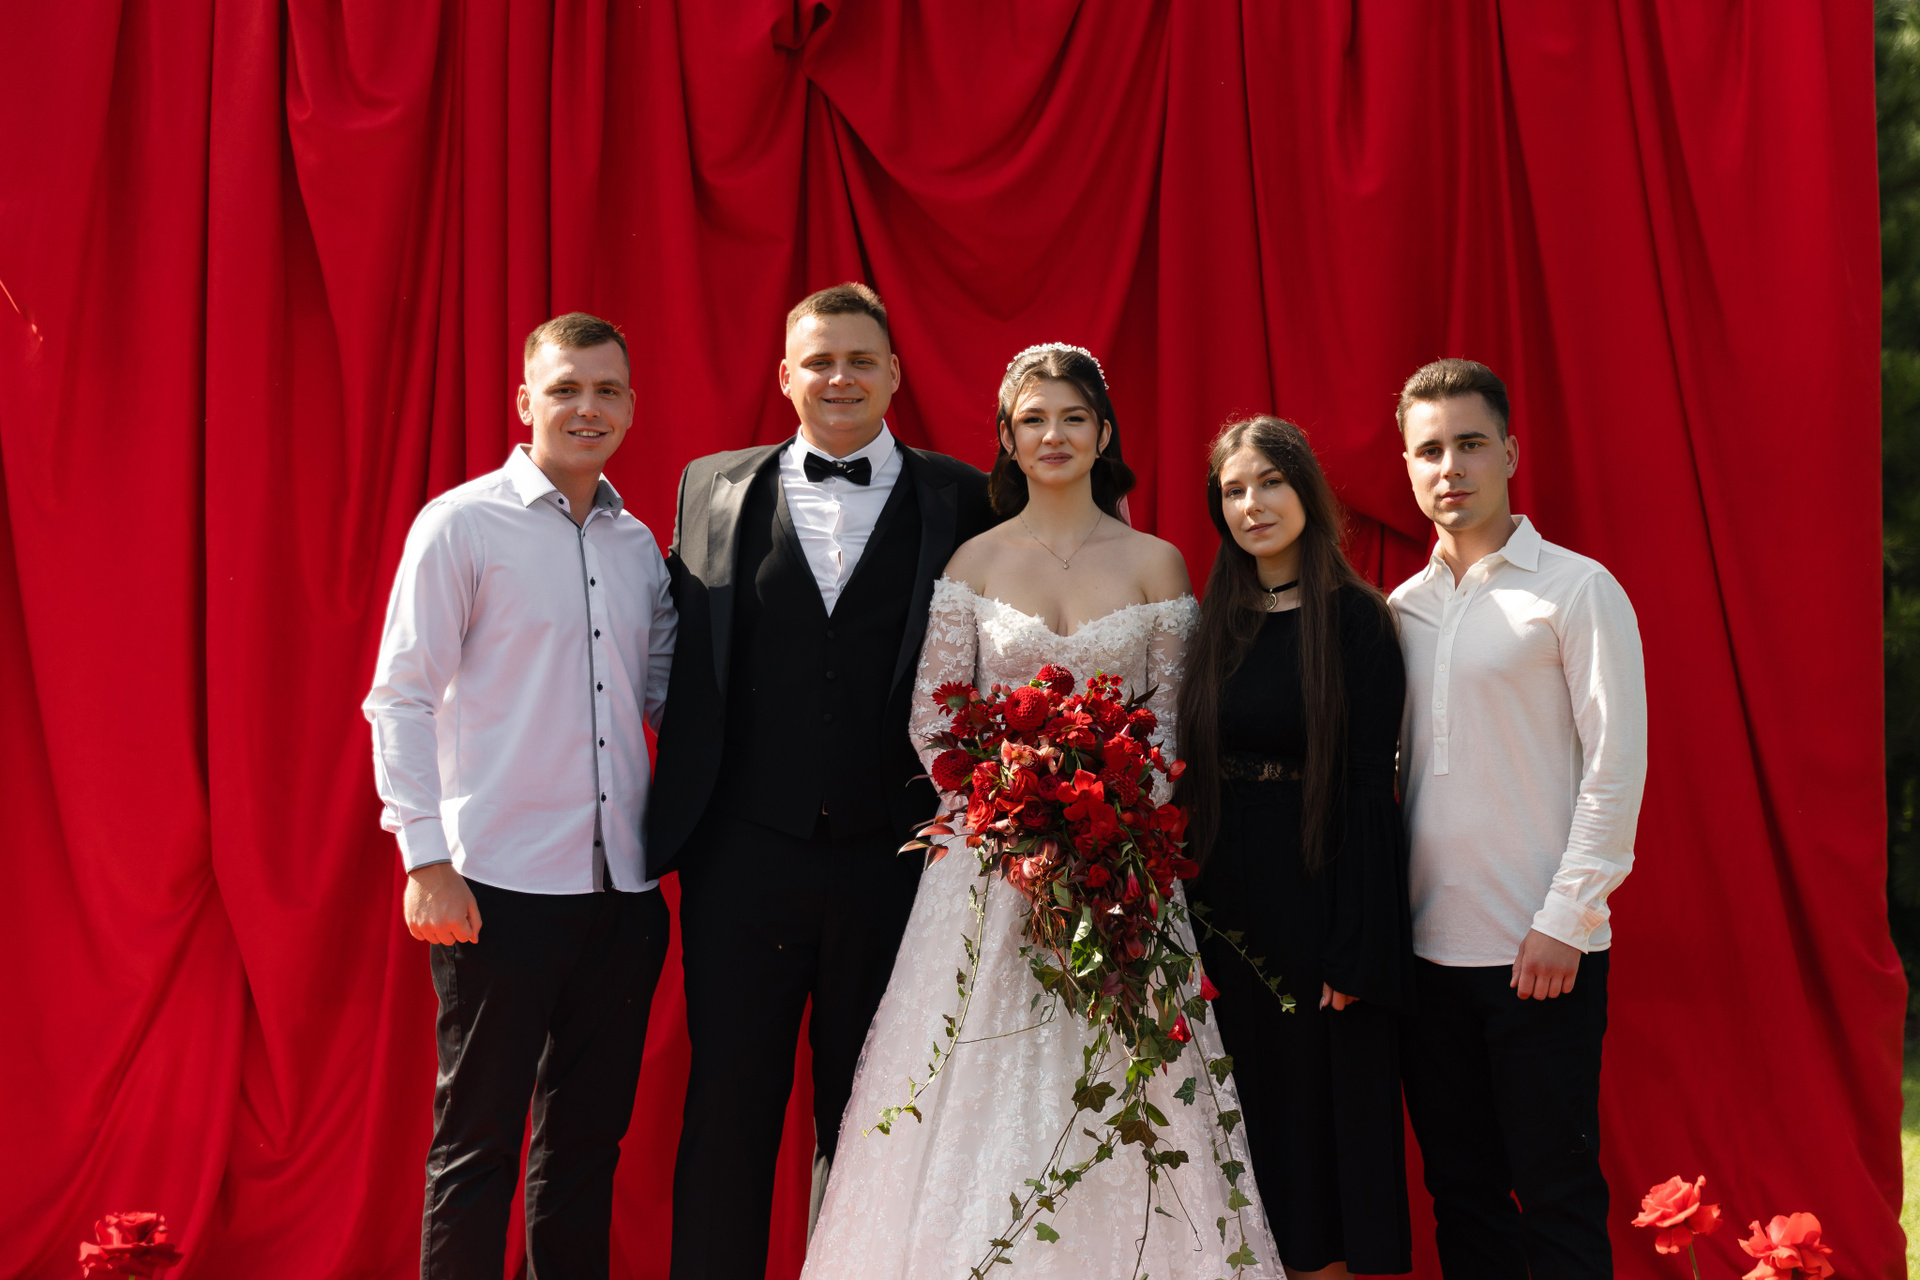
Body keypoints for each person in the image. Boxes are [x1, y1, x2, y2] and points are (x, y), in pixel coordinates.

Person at [801, 344, 1281, 1278]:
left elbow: (1174, 728)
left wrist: (1105, 824)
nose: (1052, 436)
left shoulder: (1156, 562)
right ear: (1007, 439)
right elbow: (935, 719)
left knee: (1131, 1083)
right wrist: (1017, 818)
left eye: (1071, 417)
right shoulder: (975, 560)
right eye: (1032, 421)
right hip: (989, 872)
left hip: (1123, 869)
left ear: (1103, 433)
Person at [648, 283, 996, 1280]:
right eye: (819, 361)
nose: (839, 377)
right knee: (729, 1107)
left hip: (902, 857)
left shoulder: (965, 496)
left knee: (879, 1117)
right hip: (742, 854)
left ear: (894, 374)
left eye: (859, 360)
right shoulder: (710, 485)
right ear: (785, 377)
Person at [363, 312, 677, 1280]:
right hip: (496, 889)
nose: (587, 407)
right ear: (525, 402)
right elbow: (400, 695)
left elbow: (667, 695)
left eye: (607, 390)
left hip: (622, 897)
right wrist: (425, 858)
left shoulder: (638, 547)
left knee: (585, 1150)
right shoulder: (462, 524)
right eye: (566, 388)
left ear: (631, 405)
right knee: (476, 1145)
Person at [1388, 359, 1646, 1279]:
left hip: (1541, 955)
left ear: (1510, 454)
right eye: (1429, 450)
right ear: (1408, 467)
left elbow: (1616, 766)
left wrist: (1566, 919)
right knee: (1463, 1200)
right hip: (1425, 960)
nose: (1449, 467)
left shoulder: (1577, 590)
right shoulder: (1401, 610)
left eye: (1469, 444)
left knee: (1558, 1196)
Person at [1177, 416, 1413, 1279]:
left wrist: (1356, 947)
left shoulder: (1358, 620)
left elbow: (1369, 789)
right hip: (1222, 910)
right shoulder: (1214, 623)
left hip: (1319, 907)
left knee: (1319, 1142)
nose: (1253, 505)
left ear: (1306, 489)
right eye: (1234, 491)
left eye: (1270, 483)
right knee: (1246, 1132)